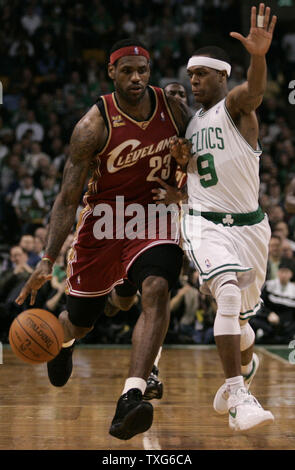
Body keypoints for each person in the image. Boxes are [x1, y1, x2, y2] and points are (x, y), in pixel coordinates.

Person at [16, 39, 191, 440]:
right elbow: (67, 198)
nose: (136, 78)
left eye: (142, 71)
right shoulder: (92, 125)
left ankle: (131, 395)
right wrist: (46, 258)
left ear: (150, 72)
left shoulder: (173, 109)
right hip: (104, 223)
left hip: (155, 215)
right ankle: (65, 342)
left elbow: (200, 161)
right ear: (111, 72)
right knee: (80, 322)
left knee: (159, 287)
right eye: (127, 71)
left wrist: (185, 185)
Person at [170, 4, 276, 431]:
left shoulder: (236, 107)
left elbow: (254, 91)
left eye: (202, 75)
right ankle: (238, 394)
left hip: (251, 227)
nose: (194, 81)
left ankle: (243, 368)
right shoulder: (190, 127)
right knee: (228, 297)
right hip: (204, 223)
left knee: (244, 324)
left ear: (222, 76)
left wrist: (259, 55)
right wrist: (179, 189)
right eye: (190, 75)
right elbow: (201, 181)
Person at [103, 80, 190, 401]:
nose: (176, 100)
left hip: (184, 225)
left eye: (182, 95)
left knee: (157, 292)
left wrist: (179, 195)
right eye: (170, 96)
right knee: (130, 298)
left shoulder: (199, 136)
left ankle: (149, 371)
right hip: (138, 225)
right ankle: (115, 298)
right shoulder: (152, 134)